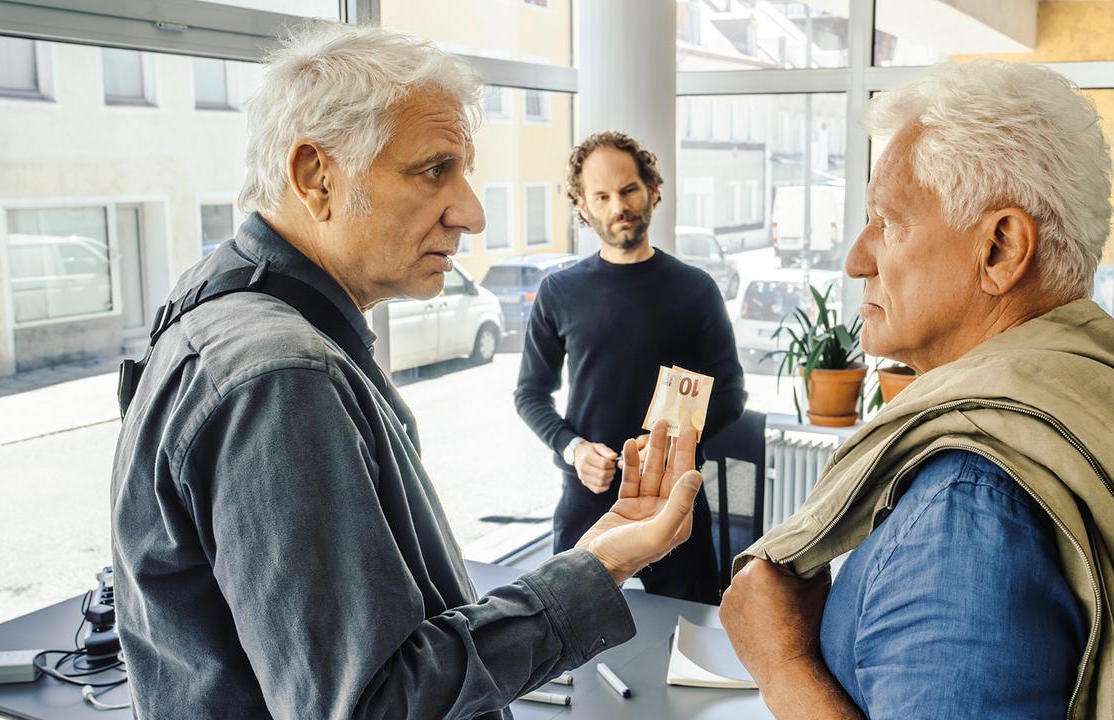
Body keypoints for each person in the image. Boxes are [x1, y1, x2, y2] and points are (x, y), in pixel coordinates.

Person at [110, 24, 708, 719]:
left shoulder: (230, 308)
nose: (472, 213)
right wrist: (597, 571)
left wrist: (594, 559)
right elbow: (374, 705)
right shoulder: (279, 376)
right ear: (316, 176)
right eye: (434, 170)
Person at [720, 60, 1114, 719]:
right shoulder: (1110, 401)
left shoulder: (968, 500)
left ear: (1002, 248)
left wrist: (783, 669)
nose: (857, 259)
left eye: (890, 222)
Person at [514, 131, 745, 605]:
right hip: (587, 496)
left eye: (629, 190)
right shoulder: (559, 292)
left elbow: (731, 394)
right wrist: (573, 449)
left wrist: (671, 449)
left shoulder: (696, 289)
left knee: (689, 636)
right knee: (566, 630)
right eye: (601, 196)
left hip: (674, 496)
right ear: (583, 207)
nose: (618, 205)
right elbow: (530, 395)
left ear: (653, 189)